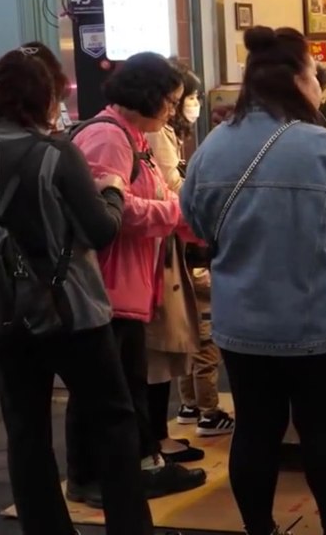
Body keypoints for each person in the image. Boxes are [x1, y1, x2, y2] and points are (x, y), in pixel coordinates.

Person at [181, 26, 326, 535]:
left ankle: (260, 528)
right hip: (314, 318)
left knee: (255, 430)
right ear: (300, 81)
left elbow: (192, 217)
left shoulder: (215, 145)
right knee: (322, 427)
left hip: (241, 317)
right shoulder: (325, 146)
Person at [0, 44, 157, 535]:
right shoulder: (54, 154)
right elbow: (102, 231)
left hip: (0, 314)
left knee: (25, 431)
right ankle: (130, 528)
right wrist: (111, 192)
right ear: (43, 98)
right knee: (113, 422)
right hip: (71, 312)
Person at [67, 52, 207, 507]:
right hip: (105, 285)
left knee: (123, 387)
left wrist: (189, 217)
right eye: (168, 101)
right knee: (105, 391)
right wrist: (175, 213)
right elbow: (113, 212)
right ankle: (95, 479)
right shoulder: (108, 138)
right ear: (145, 96)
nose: (172, 109)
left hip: (128, 286)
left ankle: (127, 471)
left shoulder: (133, 137)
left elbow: (159, 198)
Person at [140, 61, 206, 464]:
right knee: (161, 345)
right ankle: (153, 438)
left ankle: (158, 433)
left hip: (164, 245)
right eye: (183, 99)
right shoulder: (153, 135)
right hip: (157, 252)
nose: (187, 106)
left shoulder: (161, 132)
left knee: (166, 346)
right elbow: (170, 189)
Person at [165, 73, 236, 438]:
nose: (193, 104)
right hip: (195, 256)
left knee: (192, 336)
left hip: (187, 255)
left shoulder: (189, 145)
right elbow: (178, 197)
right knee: (205, 340)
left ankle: (191, 406)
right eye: (188, 97)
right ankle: (209, 411)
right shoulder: (163, 139)